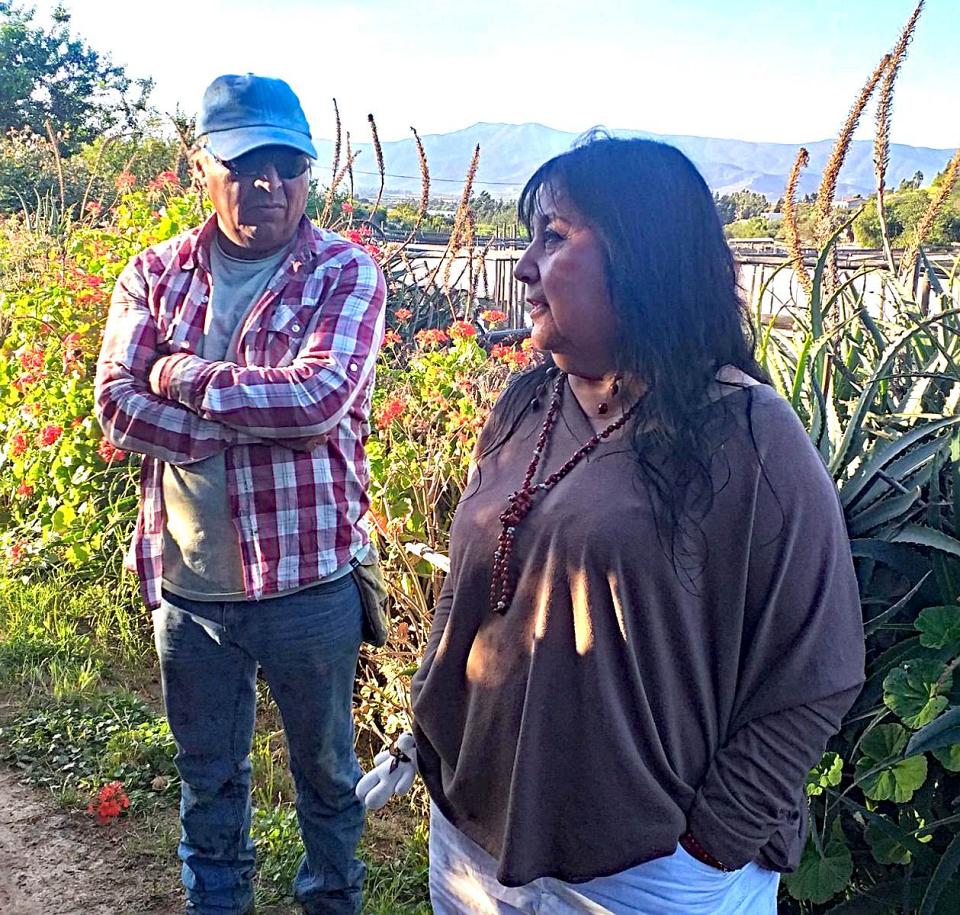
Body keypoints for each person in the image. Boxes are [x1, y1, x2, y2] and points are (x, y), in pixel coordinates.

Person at [359, 135, 864, 913]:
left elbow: (817, 666)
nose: (524, 266)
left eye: (554, 236)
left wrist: (712, 842)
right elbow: (470, 592)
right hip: (472, 838)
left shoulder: (749, 433)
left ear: (644, 257)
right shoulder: (528, 402)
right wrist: (427, 729)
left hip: (647, 873)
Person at [95, 73, 386, 915]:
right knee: (209, 782)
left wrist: (179, 375)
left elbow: (317, 400)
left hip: (310, 581)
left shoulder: (344, 271)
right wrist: (236, 423)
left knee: (326, 777)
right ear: (202, 166)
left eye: (289, 165)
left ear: (308, 171)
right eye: (246, 163)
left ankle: (331, 902)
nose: (270, 183)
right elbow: (115, 405)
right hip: (190, 587)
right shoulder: (154, 273)